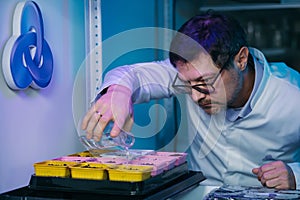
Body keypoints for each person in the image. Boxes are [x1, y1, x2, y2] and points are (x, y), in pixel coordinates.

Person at [81, 11, 300, 190]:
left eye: (205, 83)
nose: (195, 96)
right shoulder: (190, 73)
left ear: (241, 59)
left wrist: (295, 175)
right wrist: (117, 93)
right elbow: (132, 75)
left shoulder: (292, 97)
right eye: (188, 84)